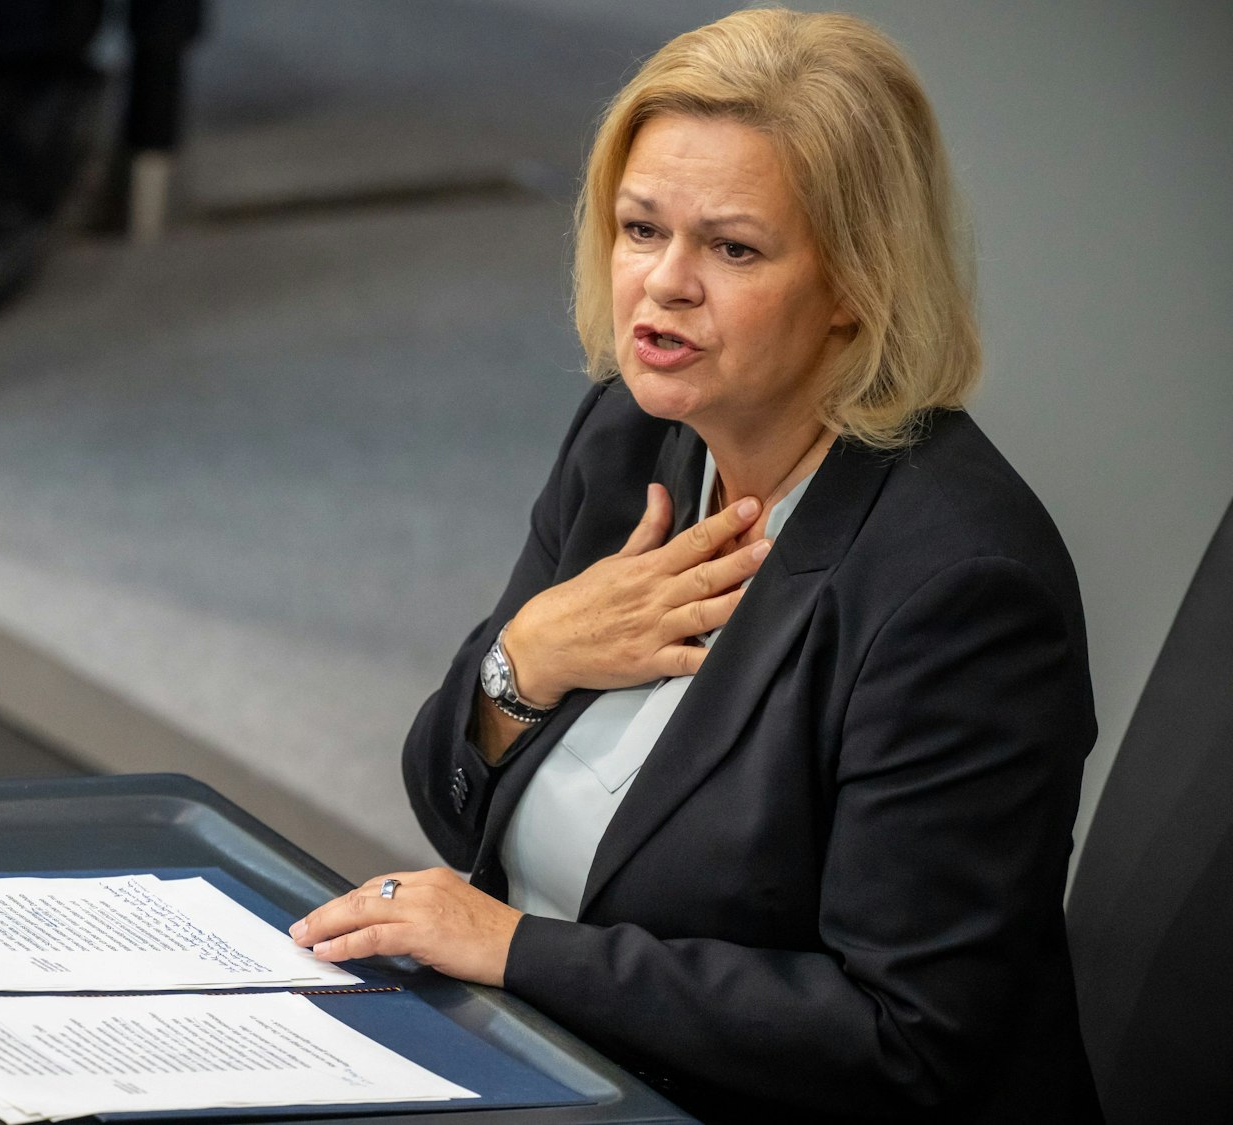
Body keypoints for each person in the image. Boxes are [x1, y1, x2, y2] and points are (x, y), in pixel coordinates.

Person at [289, 10, 1101, 1122]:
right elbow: (449, 806)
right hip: (549, 1068)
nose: (662, 285)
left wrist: (519, 952)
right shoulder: (632, 440)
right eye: (638, 229)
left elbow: (902, 1041)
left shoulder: (957, 590)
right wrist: (522, 666)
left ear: (854, 283)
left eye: (732, 248)